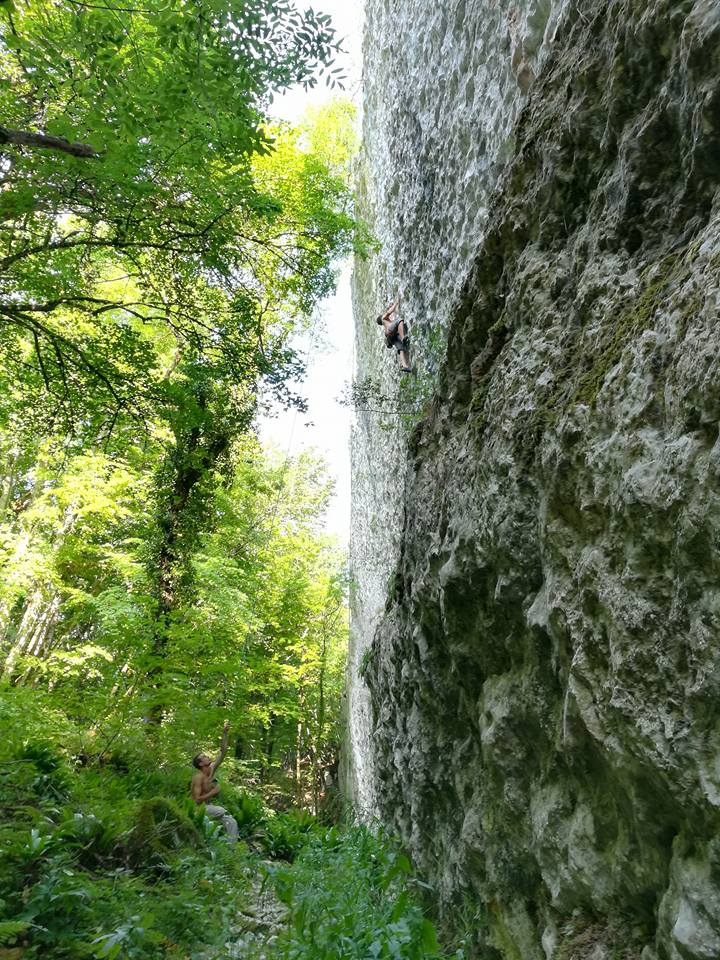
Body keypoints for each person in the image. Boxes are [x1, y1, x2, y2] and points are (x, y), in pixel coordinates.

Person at [191, 720, 239, 843]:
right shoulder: (198, 777)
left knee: (231, 821)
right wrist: (213, 792)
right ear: (201, 763)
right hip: (199, 809)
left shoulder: (211, 770)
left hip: (209, 808)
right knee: (221, 811)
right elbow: (196, 800)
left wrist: (225, 733)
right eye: (204, 757)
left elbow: (223, 752)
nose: (207, 757)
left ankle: (232, 849)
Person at [376, 298, 412, 373]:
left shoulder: (386, 321)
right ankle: (403, 338)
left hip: (391, 337)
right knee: (399, 321)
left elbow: (391, 314)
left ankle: (404, 365)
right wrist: (396, 303)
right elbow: (389, 312)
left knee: (401, 349)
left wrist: (391, 307)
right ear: (381, 317)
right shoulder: (383, 318)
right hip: (390, 331)